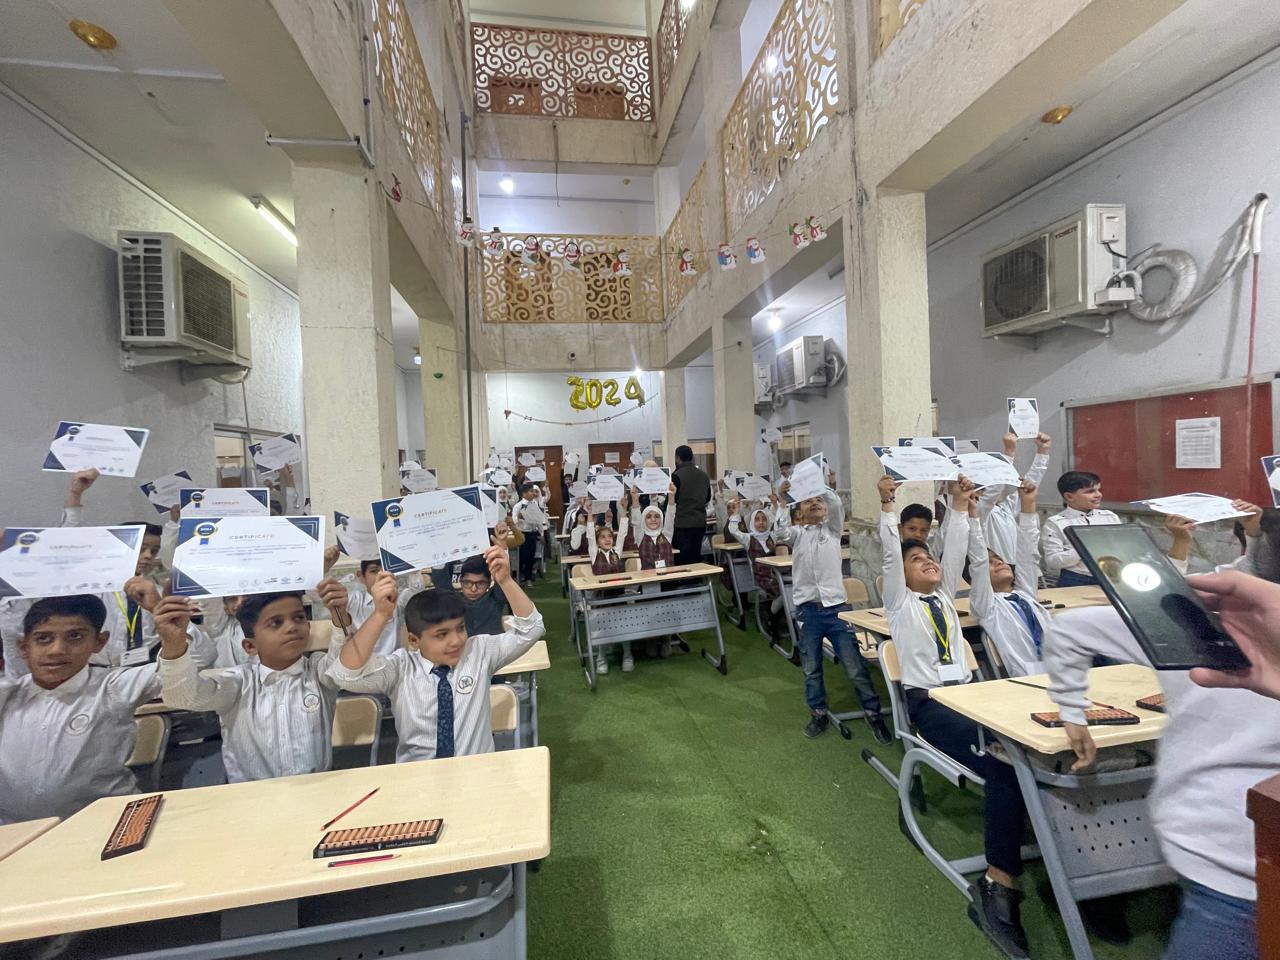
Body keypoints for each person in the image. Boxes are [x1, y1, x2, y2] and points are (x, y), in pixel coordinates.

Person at [1048, 504, 1279, 960]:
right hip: (1230, 858)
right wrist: (1073, 713)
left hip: (1222, 850)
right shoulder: (1200, 614)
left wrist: (1074, 713)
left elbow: (1070, 629)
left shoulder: (1192, 612)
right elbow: (1069, 627)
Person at [880, 474, 1031, 956]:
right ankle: (997, 882)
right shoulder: (899, 603)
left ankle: (1049, 833)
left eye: (929, 557)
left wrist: (962, 506)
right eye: (916, 560)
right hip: (934, 704)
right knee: (1006, 761)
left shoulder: (945, 596)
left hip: (972, 695)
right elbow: (891, 556)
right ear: (901, 577)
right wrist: (888, 505)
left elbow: (958, 546)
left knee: (1032, 741)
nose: (927, 562)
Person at [326, 538, 544, 762]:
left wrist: (505, 580)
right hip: (419, 775)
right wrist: (381, 614)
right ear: (414, 640)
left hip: (475, 772)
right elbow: (344, 674)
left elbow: (532, 629)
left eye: (460, 628)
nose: (456, 641)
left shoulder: (478, 652)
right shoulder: (401, 668)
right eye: (441, 635)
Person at [0, 595, 208, 824]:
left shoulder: (112, 687)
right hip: (17, 832)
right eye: (43, 639)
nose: (57, 650)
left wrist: (173, 633)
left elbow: (199, 658)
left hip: (111, 823)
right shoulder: (8, 696)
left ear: (99, 642)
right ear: (24, 647)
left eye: (75, 636)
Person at [156, 582, 348, 783]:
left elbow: (345, 664)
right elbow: (182, 697)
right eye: (276, 623)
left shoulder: (318, 671)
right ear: (250, 646)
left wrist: (340, 615)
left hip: (316, 790)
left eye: (299, 618)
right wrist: (173, 644)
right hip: (252, 796)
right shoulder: (238, 682)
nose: (291, 627)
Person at [774, 477, 891, 745]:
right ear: (799, 511)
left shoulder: (833, 529)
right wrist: (782, 501)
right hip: (808, 612)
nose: (815, 504)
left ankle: (873, 714)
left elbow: (836, 504)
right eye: (808, 502)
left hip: (837, 610)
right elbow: (779, 533)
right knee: (811, 668)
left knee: (854, 666)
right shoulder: (797, 534)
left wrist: (819, 485)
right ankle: (818, 713)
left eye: (819, 501)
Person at [963, 480, 1050, 677]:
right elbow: (978, 560)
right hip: (1027, 676)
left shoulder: (1025, 594)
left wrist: (1028, 504)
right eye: (991, 562)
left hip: (1061, 668)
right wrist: (974, 519)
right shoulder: (987, 606)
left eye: (999, 559)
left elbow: (1027, 553)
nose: (999, 562)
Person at [977, 432, 1051, 565]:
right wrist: (1009, 452)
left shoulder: (1006, 506)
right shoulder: (979, 512)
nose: (1004, 482)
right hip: (993, 570)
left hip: (1015, 568)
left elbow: (1030, 484)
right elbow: (991, 494)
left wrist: (1042, 452)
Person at [1041, 470, 1120, 586]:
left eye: (1099, 490)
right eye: (1090, 491)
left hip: (1110, 577)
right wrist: (1083, 550)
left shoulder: (1109, 517)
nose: (1098, 495)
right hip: (1075, 578)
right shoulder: (1056, 522)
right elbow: (1052, 561)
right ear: (1069, 496)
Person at [726, 498, 786, 642]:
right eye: (757, 520)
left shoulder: (772, 536)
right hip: (762, 578)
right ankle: (772, 617)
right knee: (784, 591)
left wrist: (780, 506)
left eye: (764, 519)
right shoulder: (748, 539)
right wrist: (736, 513)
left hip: (776, 575)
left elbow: (782, 527)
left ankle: (775, 615)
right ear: (752, 522)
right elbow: (733, 530)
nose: (761, 523)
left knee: (793, 587)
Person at [586, 518, 634, 674]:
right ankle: (601, 658)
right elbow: (590, 536)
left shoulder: (616, 552)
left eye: (609, 537)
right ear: (597, 542)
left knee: (624, 624)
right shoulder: (594, 554)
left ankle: (627, 655)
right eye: (602, 537)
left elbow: (623, 534)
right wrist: (590, 514)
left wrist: (623, 512)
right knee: (602, 626)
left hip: (618, 596)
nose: (607, 540)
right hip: (601, 598)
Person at [670, 445, 710, 567]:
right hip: (700, 523)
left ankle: (685, 579)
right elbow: (707, 498)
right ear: (692, 457)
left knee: (682, 560)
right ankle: (697, 577)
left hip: (681, 524)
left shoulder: (675, 476)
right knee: (695, 557)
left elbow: (671, 500)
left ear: (677, 458)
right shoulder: (704, 475)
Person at [512, 484, 547, 585]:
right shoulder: (518, 506)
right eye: (531, 491)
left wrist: (541, 534)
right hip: (522, 533)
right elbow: (513, 521)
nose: (533, 493)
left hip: (532, 533)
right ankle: (520, 576)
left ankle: (528, 577)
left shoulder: (534, 504)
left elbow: (539, 521)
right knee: (523, 556)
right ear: (524, 494)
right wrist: (518, 517)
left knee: (531, 555)